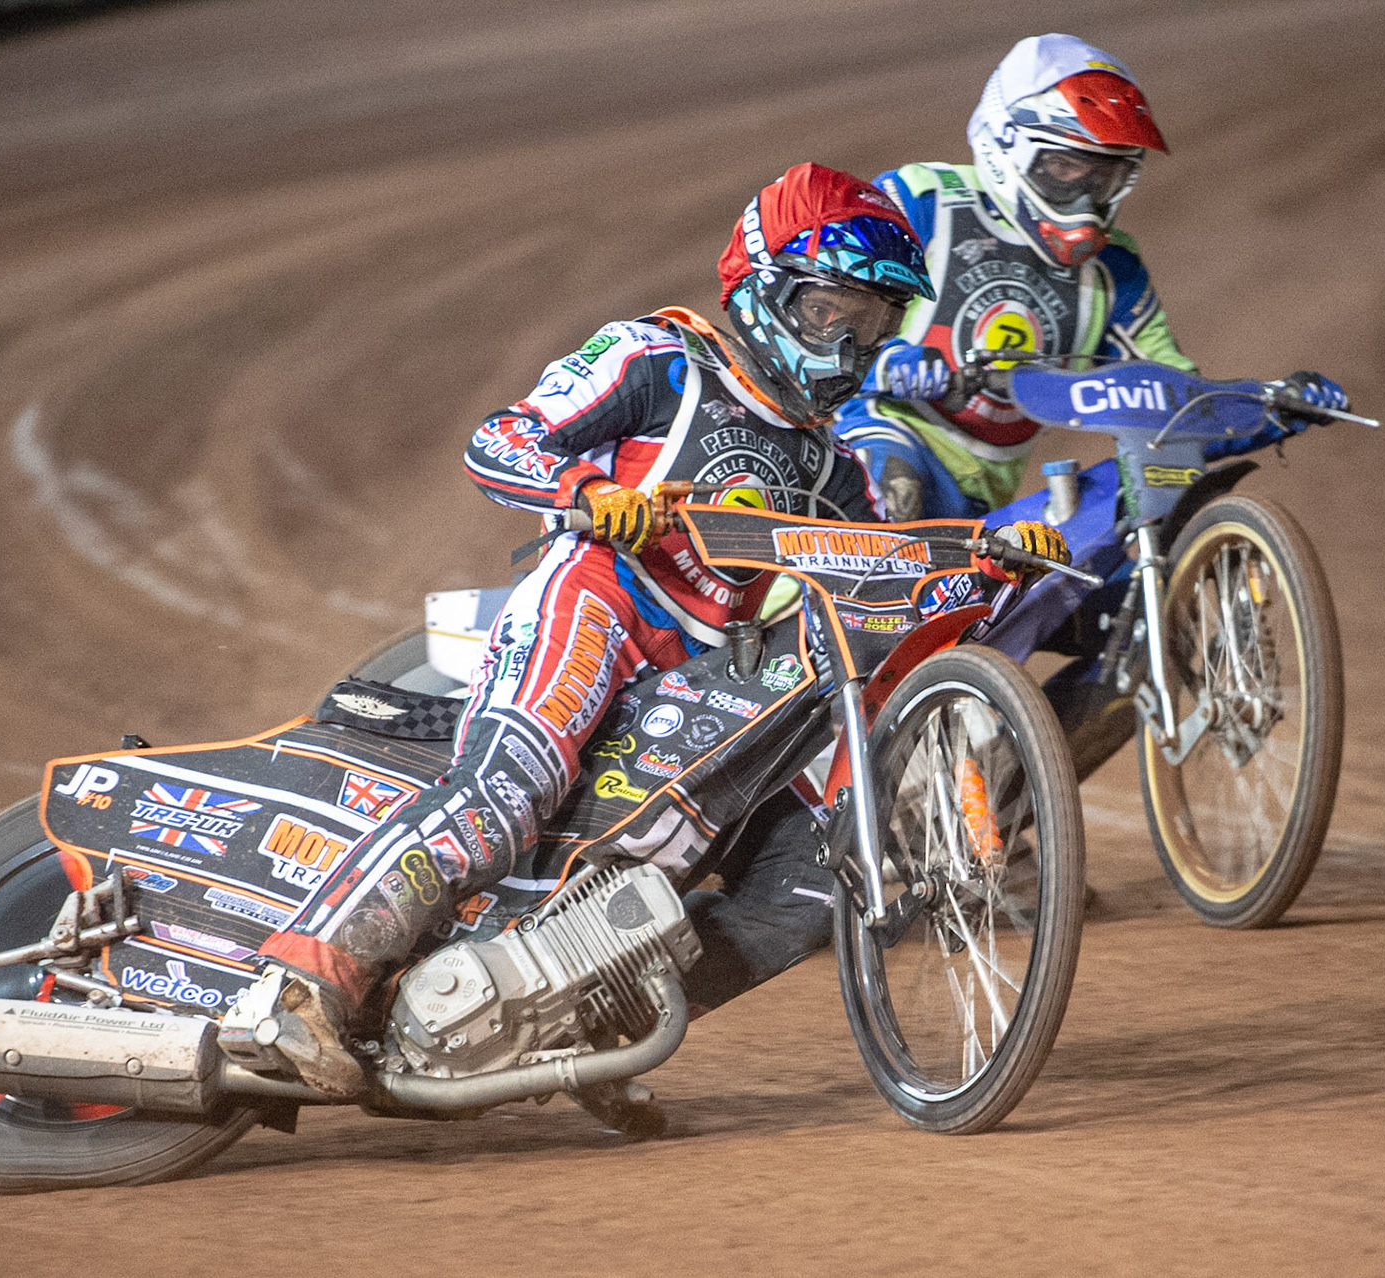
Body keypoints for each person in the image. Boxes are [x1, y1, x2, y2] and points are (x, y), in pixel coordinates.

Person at [253, 163, 1068, 1100]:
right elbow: (502, 438)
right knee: (507, 794)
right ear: (764, 289)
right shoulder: (661, 359)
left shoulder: (831, 460)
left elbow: (878, 561)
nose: (848, 343)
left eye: (872, 322)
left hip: (695, 664)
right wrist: (590, 495)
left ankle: (576, 1031)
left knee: (737, 882)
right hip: (597, 597)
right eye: (828, 311)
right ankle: (302, 984)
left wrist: (984, 551)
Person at [836, 33, 1350, 523]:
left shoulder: (1114, 269)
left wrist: (1275, 407)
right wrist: (889, 361)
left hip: (984, 491)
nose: (1085, 199)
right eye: (1063, 170)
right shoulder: (924, 201)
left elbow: (1170, 398)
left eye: (1101, 177)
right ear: (1007, 144)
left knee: (1104, 552)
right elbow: (823, 313)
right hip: (869, 433)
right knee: (899, 493)